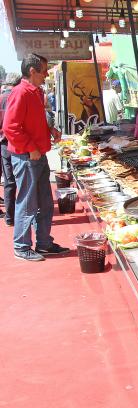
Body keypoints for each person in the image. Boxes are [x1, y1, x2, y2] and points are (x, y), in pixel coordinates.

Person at [2, 53, 69, 261]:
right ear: (32, 71)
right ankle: (21, 246)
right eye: (44, 70)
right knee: (28, 202)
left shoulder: (35, 92)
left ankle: (43, 242)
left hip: (37, 155)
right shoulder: (20, 92)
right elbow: (10, 127)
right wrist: (31, 148)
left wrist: (51, 130)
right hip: (26, 156)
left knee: (45, 202)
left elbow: (35, 120)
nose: (46, 74)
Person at [0, 72, 22, 225]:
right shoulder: (17, 97)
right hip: (17, 143)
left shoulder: (1, 98)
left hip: (3, 144)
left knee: (9, 181)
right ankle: (23, 215)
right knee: (23, 180)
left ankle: (10, 217)